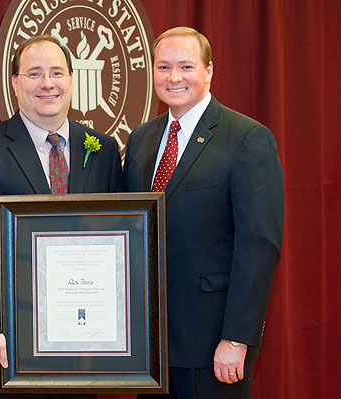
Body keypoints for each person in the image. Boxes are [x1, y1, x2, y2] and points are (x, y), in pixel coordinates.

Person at [0, 35, 125, 398]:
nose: (47, 83)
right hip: (8, 345)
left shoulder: (103, 149)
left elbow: (119, 242)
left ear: (72, 80)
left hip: (82, 344)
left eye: (56, 72)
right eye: (34, 73)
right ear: (14, 82)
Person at [124, 27, 284, 398]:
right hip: (150, 347)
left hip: (212, 344)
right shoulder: (141, 139)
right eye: (163, 67)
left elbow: (259, 247)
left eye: (186, 66)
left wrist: (237, 338)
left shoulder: (246, 138)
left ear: (209, 71)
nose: (174, 77)